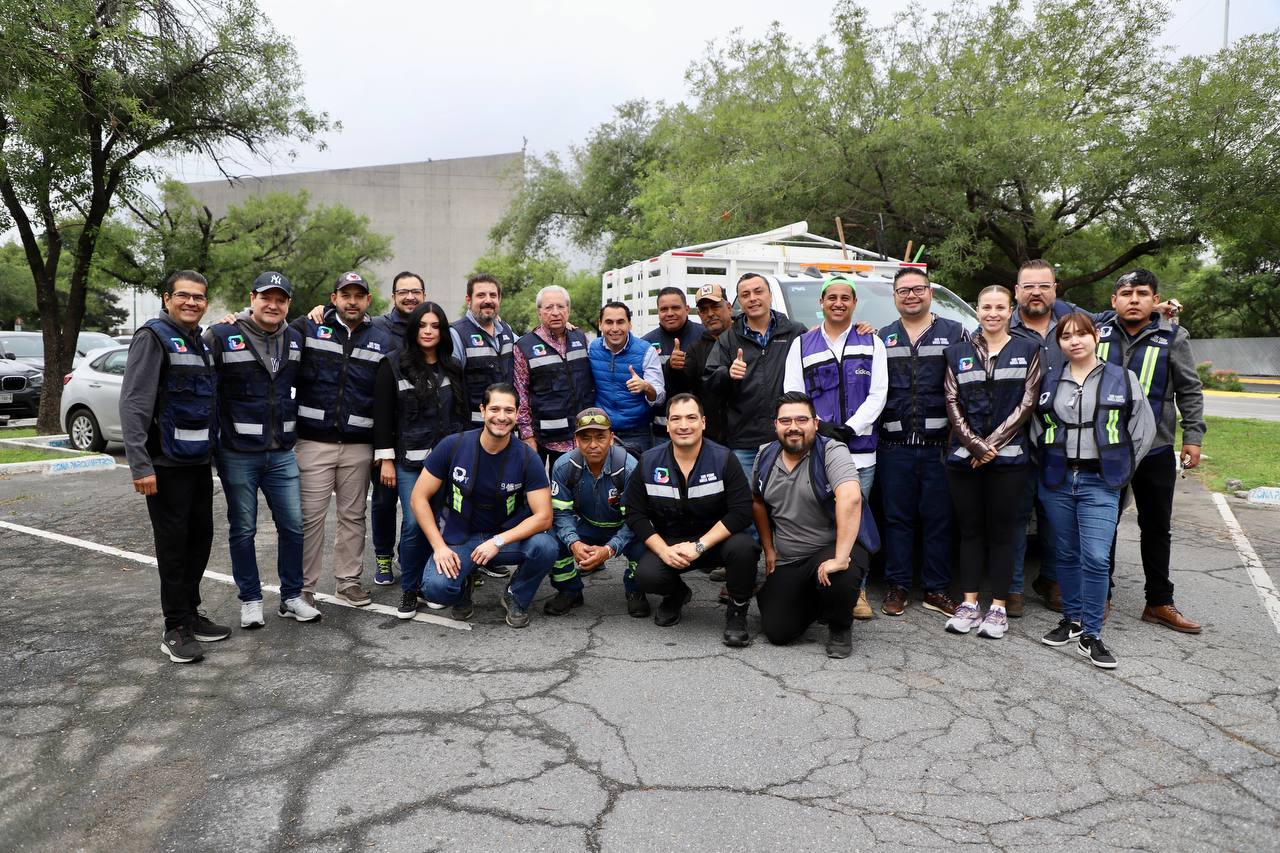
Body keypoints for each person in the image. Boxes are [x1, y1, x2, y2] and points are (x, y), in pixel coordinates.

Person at [120, 270, 231, 663]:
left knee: (199, 538)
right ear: (167, 298)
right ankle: (175, 628)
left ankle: (191, 612)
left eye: (199, 297)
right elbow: (134, 403)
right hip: (164, 466)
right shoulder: (152, 337)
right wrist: (140, 465)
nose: (191, 303)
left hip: (197, 462)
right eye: (183, 296)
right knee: (173, 547)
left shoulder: (198, 341)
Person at [1035, 312, 1154, 669]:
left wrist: (1121, 468)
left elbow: (1142, 428)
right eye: (1066, 336)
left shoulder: (1122, 377)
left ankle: (1092, 633)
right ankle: (1071, 621)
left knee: (1097, 557)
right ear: (1059, 344)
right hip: (1057, 479)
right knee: (1065, 554)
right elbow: (1036, 427)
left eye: (1081, 334)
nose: (1075, 341)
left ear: (1095, 337)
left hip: (1100, 482)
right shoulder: (1050, 379)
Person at [205, 271, 320, 629]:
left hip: (282, 452)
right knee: (243, 529)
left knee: (293, 526)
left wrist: (319, 311)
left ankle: (291, 596)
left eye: (281, 299)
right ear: (251, 297)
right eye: (266, 297)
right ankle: (251, 599)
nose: (273, 305)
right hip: (237, 453)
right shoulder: (222, 334)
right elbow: (206, 390)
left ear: (288, 304)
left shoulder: (296, 337)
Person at [1098, 269, 1206, 633]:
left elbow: (1190, 390)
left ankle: (1159, 601)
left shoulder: (1174, 337)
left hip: (1156, 448)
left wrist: (1194, 436)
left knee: (1156, 526)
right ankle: (1101, 596)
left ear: (1154, 299)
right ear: (1113, 300)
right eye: (1126, 293)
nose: (1133, 299)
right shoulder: (1096, 333)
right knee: (1103, 524)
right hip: (1106, 446)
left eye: (1142, 293)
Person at [304, 271, 424, 587]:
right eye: (404, 291)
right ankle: (307, 588)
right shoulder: (324, 329)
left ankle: (370, 574)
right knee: (371, 504)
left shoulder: (417, 329)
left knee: (371, 514)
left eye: (416, 291)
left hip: (390, 440)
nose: (353, 301)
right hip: (344, 439)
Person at [409, 383, 559, 627]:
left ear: (518, 414)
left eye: (509, 411)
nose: (501, 417)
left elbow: (544, 517)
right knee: (437, 589)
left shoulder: (527, 457)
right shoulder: (452, 446)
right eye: (495, 409)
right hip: (461, 537)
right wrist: (439, 548)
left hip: (505, 537)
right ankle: (463, 586)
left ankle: (515, 596)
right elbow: (418, 498)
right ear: (482, 410)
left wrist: (498, 541)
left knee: (546, 546)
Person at [782, 272, 887, 619]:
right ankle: (814, 587)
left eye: (845, 297)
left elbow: (878, 394)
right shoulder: (803, 344)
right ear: (821, 303)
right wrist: (821, 429)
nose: (838, 303)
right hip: (817, 450)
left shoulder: (872, 342)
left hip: (860, 451)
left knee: (854, 522)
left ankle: (856, 592)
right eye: (832, 297)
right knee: (816, 520)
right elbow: (793, 393)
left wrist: (849, 428)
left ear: (854, 303)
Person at [941, 286, 1042, 639]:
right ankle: (969, 603)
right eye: (986, 307)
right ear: (977, 310)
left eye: (1000, 307)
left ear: (1010, 310)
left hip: (1010, 459)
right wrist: (973, 444)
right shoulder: (957, 352)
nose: (993, 313)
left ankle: (998, 608)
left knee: (1002, 533)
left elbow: (1027, 403)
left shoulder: (1028, 350)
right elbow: (952, 400)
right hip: (963, 459)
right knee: (969, 531)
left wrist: (990, 446)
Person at [291, 271, 394, 607]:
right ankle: (303, 587)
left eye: (358, 295)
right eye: (345, 294)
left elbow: (387, 396)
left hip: (358, 445)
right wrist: (240, 317)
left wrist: (383, 448)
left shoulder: (383, 339)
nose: (352, 301)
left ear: (368, 301)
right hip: (313, 442)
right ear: (333, 298)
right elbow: (268, 331)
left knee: (353, 516)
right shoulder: (308, 328)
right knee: (310, 517)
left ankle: (348, 581)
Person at [625, 393, 761, 643]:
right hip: (672, 543)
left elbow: (741, 512)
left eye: (691, 417)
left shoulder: (724, 458)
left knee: (745, 548)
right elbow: (635, 513)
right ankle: (676, 595)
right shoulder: (648, 461)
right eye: (675, 419)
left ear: (704, 422)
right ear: (667, 425)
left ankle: (737, 612)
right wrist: (663, 551)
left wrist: (700, 546)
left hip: (715, 541)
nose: (683, 425)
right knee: (646, 576)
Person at [752, 392, 873, 659]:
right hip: (790, 558)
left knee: (841, 576)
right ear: (775, 425)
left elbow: (851, 498)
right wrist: (769, 549)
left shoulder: (832, 451)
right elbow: (758, 502)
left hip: (832, 549)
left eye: (801, 419)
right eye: (785, 420)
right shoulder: (765, 455)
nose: (793, 427)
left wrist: (841, 558)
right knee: (777, 631)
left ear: (815, 423)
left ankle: (840, 626)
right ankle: (819, 603)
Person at [876, 268, 967, 619]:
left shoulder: (957, 332)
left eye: (918, 289)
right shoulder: (882, 337)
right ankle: (897, 585)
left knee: (939, 519)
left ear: (930, 293)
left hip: (939, 445)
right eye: (903, 290)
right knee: (897, 519)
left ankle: (936, 588)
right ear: (895, 297)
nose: (911, 295)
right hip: (894, 444)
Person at [372, 302, 468, 620]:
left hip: (449, 462)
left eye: (435, 326)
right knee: (415, 524)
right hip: (410, 463)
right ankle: (410, 589)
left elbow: (462, 415)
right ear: (414, 330)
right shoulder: (392, 365)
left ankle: (432, 583)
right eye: (422, 325)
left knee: (446, 522)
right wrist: (386, 460)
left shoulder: (452, 366)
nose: (429, 331)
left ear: (442, 331)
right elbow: (383, 417)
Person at [703, 273, 808, 478]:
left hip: (788, 436)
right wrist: (727, 374)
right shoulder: (728, 340)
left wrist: (860, 329)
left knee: (788, 502)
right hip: (745, 442)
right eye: (745, 294)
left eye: (758, 291)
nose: (752, 298)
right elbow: (709, 382)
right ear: (739, 302)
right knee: (750, 503)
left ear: (769, 295)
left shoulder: (795, 332)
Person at [546, 407, 646, 617]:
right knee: (551, 543)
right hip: (587, 525)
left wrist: (609, 549)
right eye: (586, 438)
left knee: (646, 545)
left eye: (600, 437)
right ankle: (570, 590)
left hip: (623, 527)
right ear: (576, 440)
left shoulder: (629, 468)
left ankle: (635, 590)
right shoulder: (563, 466)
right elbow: (561, 514)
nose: (593, 445)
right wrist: (574, 542)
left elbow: (635, 520)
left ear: (611, 438)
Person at [513, 285, 596, 470]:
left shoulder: (580, 338)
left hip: (582, 434)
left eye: (560, 306)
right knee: (539, 491)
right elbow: (521, 395)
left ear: (569, 310)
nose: (555, 312)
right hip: (544, 440)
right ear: (539, 312)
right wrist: (527, 436)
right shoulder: (524, 346)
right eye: (549, 307)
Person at [589, 301, 665, 454]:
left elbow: (659, 397)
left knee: (637, 476)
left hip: (637, 432)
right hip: (601, 430)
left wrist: (646, 386)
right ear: (600, 325)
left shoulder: (646, 351)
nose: (615, 328)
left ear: (630, 324)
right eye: (609, 322)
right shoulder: (592, 347)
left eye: (621, 322)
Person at [450, 273, 517, 427]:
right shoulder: (456, 334)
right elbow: (453, 391)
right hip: (473, 429)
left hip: (505, 426)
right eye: (481, 295)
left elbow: (529, 346)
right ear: (469, 300)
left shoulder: (506, 331)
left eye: (493, 295)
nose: (488, 300)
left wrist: (560, 329)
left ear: (499, 299)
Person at [643, 286, 704, 441]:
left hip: (700, 430)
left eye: (675, 308)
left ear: (687, 309)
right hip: (661, 432)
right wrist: (669, 367)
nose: (669, 313)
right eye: (664, 309)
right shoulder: (646, 343)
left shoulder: (705, 336)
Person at [682, 283, 733, 445]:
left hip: (745, 436)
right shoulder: (695, 348)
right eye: (704, 310)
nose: (710, 314)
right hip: (710, 438)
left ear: (729, 307)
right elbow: (683, 389)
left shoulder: (746, 339)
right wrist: (673, 369)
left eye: (716, 307)